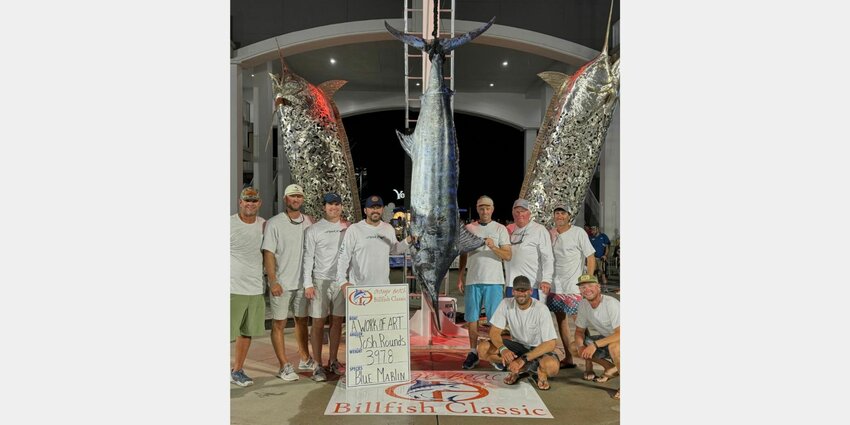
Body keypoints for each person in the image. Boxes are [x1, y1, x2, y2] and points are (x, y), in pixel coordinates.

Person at [262, 184, 314, 381]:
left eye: (299, 196)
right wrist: (273, 280)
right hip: (282, 283)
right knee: (279, 323)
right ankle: (283, 365)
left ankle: (304, 358)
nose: (296, 199)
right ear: (285, 199)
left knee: (301, 320)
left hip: (302, 282)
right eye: (292, 196)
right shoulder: (274, 223)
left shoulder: (308, 221)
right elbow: (268, 253)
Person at [477, 276, 561, 390]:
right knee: (483, 348)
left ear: (531, 291)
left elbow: (551, 344)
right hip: (518, 347)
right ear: (513, 291)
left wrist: (523, 359)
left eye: (524, 290)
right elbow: (494, 332)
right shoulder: (506, 303)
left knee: (552, 367)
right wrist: (503, 349)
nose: (521, 293)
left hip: (537, 350)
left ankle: (540, 372)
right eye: (518, 290)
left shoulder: (541, 309)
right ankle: (516, 369)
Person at [456, 195, 512, 370]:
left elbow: (508, 255)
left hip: (494, 281)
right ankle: (473, 352)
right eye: (481, 207)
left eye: (487, 207)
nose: (484, 211)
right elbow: (463, 253)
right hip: (473, 279)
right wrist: (460, 276)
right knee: (472, 318)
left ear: (493, 209)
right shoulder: (469, 228)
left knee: (494, 320)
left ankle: (495, 352)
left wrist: (493, 246)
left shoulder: (500, 229)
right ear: (477, 208)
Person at [302, 193, 348, 381]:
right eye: (330, 205)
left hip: (340, 282)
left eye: (337, 204)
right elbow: (308, 257)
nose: (334, 208)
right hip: (320, 280)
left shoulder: (348, 228)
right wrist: (308, 283)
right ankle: (318, 365)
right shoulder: (314, 230)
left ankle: (334, 360)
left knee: (337, 322)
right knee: (318, 323)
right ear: (324, 207)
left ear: (341, 207)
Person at [548, 204, 597, 369]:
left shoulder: (578, 233)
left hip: (574, 288)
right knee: (561, 322)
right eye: (557, 213)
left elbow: (590, 257)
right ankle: (568, 358)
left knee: (581, 325)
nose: (559, 216)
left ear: (569, 216)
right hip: (556, 287)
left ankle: (589, 365)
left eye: (563, 213)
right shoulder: (551, 234)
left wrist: (587, 283)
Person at [336, 195, 413, 294]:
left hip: (382, 289)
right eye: (372, 208)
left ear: (382, 210)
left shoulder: (388, 228)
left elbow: (395, 250)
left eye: (378, 207)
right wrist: (342, 282)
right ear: (365, 210)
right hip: (358, 289)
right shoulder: (354, 229)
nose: (375, 210)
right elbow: (343, 257)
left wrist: (408, 240)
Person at [230, 187, 266, 386]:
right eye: (247, 201)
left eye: (254, 201)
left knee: (246, 332)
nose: (250, 204)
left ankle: (237, 370)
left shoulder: (264, 225)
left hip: (255, 288)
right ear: (240, 202)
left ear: (259, 203)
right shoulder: (229, 224)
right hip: (232, 288)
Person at [574, 274, 621, 400]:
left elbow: (620, 333)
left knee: (614, 347)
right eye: (583, 287)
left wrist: (594, 345)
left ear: (598, 287)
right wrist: (580, 347)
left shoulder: (611, 304)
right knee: (574, 347)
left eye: (590, 285)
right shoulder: (583, 304)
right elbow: (579, 331)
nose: (587, 289)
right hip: (607, 338)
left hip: (618, 339)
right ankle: (611, 368)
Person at [504, 199, 554, 300]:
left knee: (532, 315)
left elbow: (548, 257)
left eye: (523, 211)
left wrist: (546, 279)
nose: (520, 214)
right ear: (513, 213)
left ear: (529, 213)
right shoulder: (509, 231)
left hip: (532, 285)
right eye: (517, 211)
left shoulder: (539, 230)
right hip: (511, 284)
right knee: (512, 315)